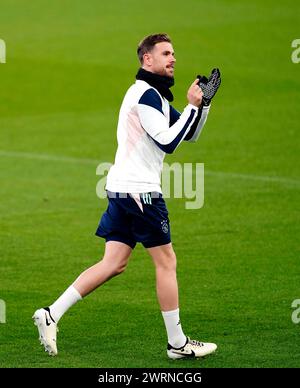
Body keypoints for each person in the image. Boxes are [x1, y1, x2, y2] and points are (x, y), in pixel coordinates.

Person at [33, 33, 221, 359]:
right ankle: (177, 344)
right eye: (165, 53)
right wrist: (191, 106)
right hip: (140, 193)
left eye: (173, 53)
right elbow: (169, 143)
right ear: (147, 59)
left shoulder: (156, 97)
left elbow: (189, 134)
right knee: (166, 262)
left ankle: (50, 314)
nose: (173, 58)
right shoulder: (145, 96)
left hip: (123, 189)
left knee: (114, 262)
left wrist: (202, 105)